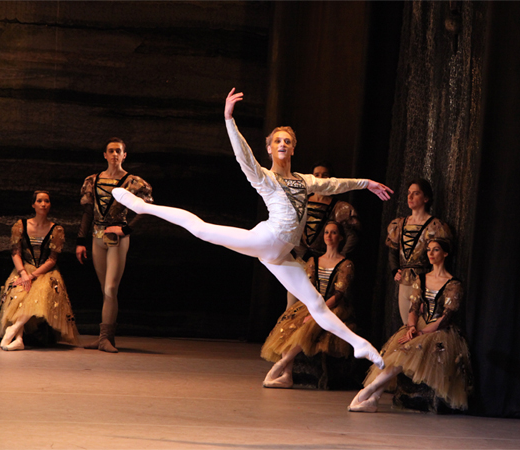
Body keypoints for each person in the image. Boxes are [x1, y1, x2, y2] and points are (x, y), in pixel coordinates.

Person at [113, 88, 392, 368]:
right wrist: (229, 119)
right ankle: (143, 207)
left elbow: (334, 184)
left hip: (280, 256)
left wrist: (366, 183)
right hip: (267, 239)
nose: (283, 144)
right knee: (200, 228)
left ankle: (359, 345)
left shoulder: (305, 181)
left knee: (316, 303)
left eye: (288, 141)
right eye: (277, 141)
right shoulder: (265, 178)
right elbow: (244, 157)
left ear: (294, 148)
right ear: (270, 148)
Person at [348, 239, 472, 413]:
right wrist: (412, 327)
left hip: (439, 331)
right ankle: (374, 398)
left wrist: (421, 332)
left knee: (408, 352)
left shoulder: (453, 284)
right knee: (395, 351)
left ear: (445, 254)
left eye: (435, 250)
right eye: (428, 249)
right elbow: (413, 308)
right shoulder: (421, 278)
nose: (430, 253)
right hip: (419, 325)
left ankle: (369, 390)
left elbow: (445, 318)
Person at [76, 138, 153, 353]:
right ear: (105, 155)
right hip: (97, 236)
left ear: (124, 155)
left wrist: (126, 229)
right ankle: (105, 338)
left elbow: (146, 208)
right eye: (111, 151)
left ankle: (104, 338)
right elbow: (88, 212)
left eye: (118, 151)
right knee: (105, 290)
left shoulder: (134, 182)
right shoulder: (93, 180)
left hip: (117, 238)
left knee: (111, 288)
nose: (114, 154)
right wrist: (81, 241)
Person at [261, 221, 356, 388]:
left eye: (333, 233)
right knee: (289, 325)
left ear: (340, 237)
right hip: (312, 302)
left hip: (332, 306)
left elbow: (338, 294)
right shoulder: (314, 261)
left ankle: (281, 365)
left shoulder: (346, 264)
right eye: (326, 232)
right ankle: (287, 375)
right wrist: (310, 307)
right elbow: (307, 287)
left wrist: (319, 309)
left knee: (311, 324)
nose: (329, 236)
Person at [0, 191, 80, 351]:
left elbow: (52, 259)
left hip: (46, 271)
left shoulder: (56, 229)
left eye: (46, 201)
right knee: (18, 291)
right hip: (23, 269)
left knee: (39, 292)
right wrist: (24, 274)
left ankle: (14, 329)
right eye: (39, 201)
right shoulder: (21, 226)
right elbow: (15, 253)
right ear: (33, 204)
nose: (43, 204)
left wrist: (32, 275)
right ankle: (19, 339)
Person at [286, 161, 361, 309]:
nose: (320, 178)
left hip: (327, 265)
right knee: (293, 306)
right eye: (317, 175)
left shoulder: (340, 208)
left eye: (324, 175)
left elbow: (352, 236)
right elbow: (292, 232)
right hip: (303, 261)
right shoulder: (301, 203)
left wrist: (338, 258)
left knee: (324, 305)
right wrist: (306, 255)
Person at [387, 179, 452, 324]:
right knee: (407, 326)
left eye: (415, 194)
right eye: (409, 193)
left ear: (426, 198)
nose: (410, 197)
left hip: (425, 282)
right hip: (405, 281)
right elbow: (393, 250)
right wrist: (394, 270)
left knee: (422, 325)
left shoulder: (435, 227)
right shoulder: (400, 224)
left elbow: (440, 256)